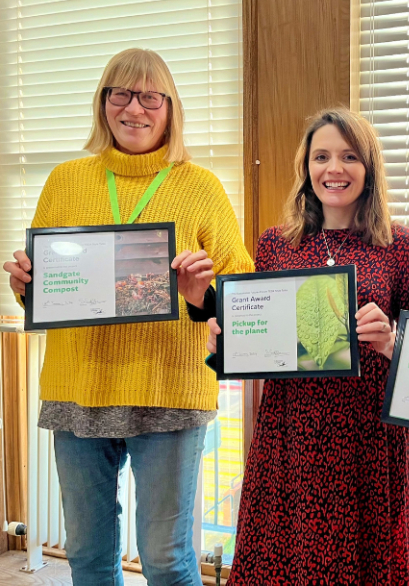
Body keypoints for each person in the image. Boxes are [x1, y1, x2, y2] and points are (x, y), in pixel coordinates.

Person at [2, 48, 253, 586]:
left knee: (166, 560)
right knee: (89, 557)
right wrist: (25, 286)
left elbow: (240, 296)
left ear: (170, 108)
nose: (134, 108)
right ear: (103, 103)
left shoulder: (200, 186)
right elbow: (47, 288)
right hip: (79, 389)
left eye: (149, 97)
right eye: (120, 93)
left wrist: (199, 292)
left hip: (169, 390)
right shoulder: (65, 180)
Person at [192, 108, 409, 585]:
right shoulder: (276, 245)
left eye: (348, 156)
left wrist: (390, 342)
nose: (333, 169)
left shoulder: (403, 247)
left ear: (370, 168)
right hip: (290, 435)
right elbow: (263, 335)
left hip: (369, 442)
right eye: (321, 156)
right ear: (306, 167)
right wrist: (228, 339)